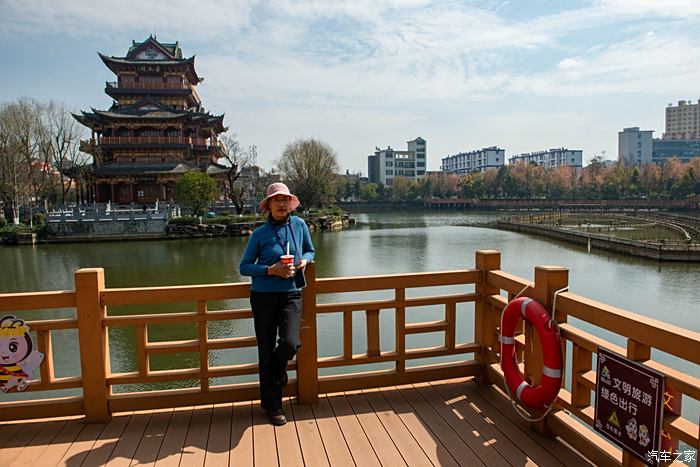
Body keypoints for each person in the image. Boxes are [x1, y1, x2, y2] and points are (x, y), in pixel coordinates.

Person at [239, 182, 315, 426]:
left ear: (290, 203)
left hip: (291, 293)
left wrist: (304, 260)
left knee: (291, 343)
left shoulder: (300, 225)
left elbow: (311, 251)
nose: (282, 204)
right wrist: (270, 270)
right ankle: (273, 406)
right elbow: (244, 267)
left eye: (285, 200)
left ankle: (277, 370)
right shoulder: (260, 233)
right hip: (263, 296)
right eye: (276, 200)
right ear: (268, 205)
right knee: (265, 348)